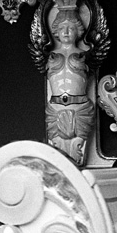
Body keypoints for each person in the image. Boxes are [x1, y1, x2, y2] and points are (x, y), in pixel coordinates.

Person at [45, 9, 93, 165]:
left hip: (80, 108)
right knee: (58, 155)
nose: (66, 32)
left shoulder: (84, 56)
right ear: (56, 31)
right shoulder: (50, 56)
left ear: (78, 31)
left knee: (77, 151)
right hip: (55, 108)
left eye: (71, 28)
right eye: (61, 28)